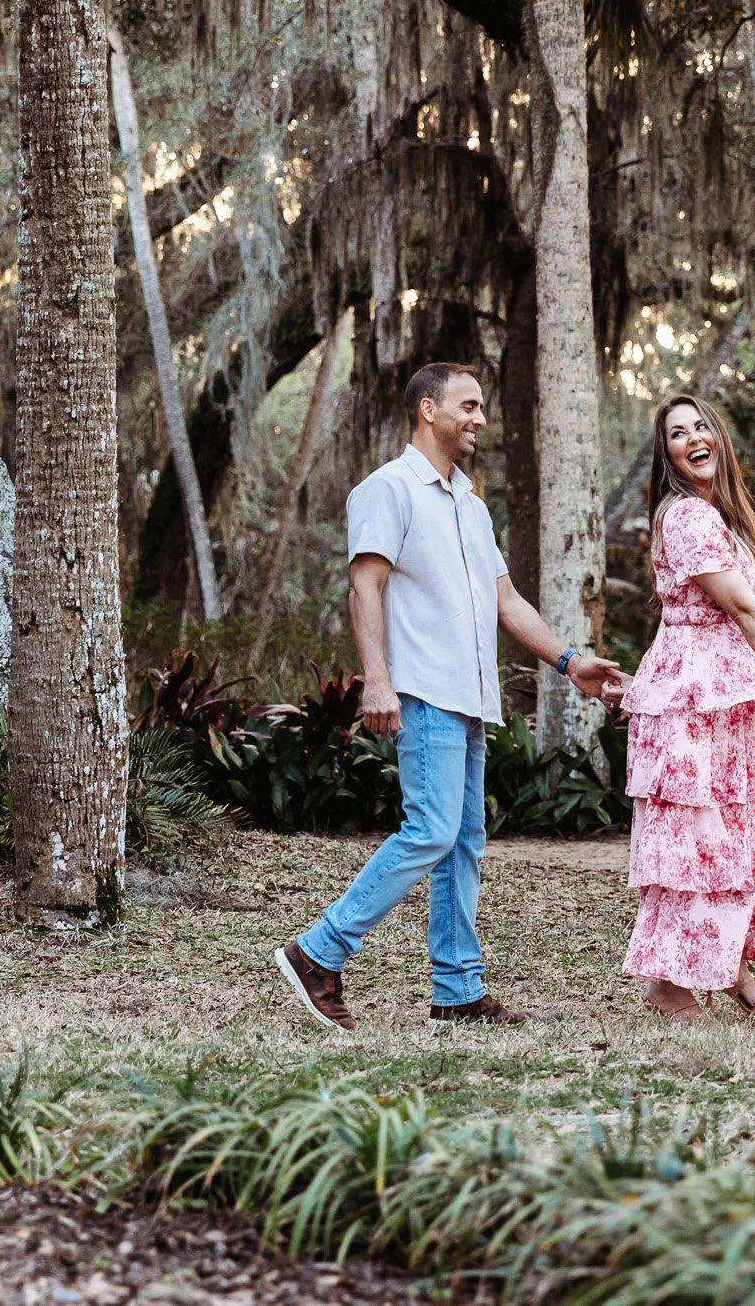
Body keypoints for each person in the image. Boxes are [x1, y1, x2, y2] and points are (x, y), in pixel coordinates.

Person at [274, 362, 625, 1030]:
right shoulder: (389, 489)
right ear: (427, 409)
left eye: (483, 405)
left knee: (462, 841)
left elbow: (505, 599)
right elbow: (364, 588)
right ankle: (318, 951)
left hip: (468, 700)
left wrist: (570, 660)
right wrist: (377, 679)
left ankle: (458, 987)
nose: (480, 418)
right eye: (468, 404)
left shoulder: (469, 502)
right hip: (423, 691)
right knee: (431, 830)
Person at [618, 395, 755, 1022]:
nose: (692, 437)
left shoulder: (720, 517)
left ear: (719, 436)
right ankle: (669, 985)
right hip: (691, 696)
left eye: (701, 425)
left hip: (730, 694)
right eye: (676, 433)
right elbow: (743, 609)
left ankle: (732, 965)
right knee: (699, 840)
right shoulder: (686, 517)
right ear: (666, 455)